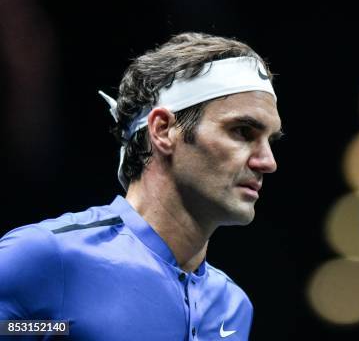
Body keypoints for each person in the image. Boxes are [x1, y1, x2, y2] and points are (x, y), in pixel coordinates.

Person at [0, 33, 282, 340]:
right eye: (242, 131)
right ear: (163, 130)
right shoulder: (45, 257)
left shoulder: (234, 308)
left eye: (270, 140)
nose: (268, 162)